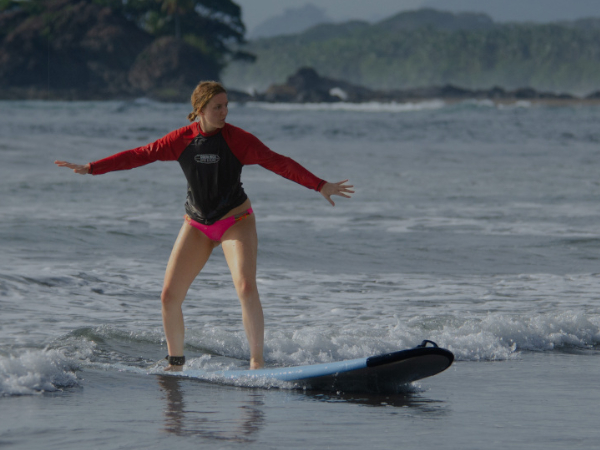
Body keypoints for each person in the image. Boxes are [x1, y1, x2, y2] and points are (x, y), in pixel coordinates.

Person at [55, 81, 353, 371]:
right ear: (200, 108)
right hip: (196, 224)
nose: (224, 112)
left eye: (226, 106)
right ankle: (175, 363)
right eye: (217, 107)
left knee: (246, 287)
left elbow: (278, 162)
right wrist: (93, 167)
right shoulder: (180, 140)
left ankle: (257, 362)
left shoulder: (238, 139)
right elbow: (139, 155)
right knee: (169, 296)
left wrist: (319, 185)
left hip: (236, 221)